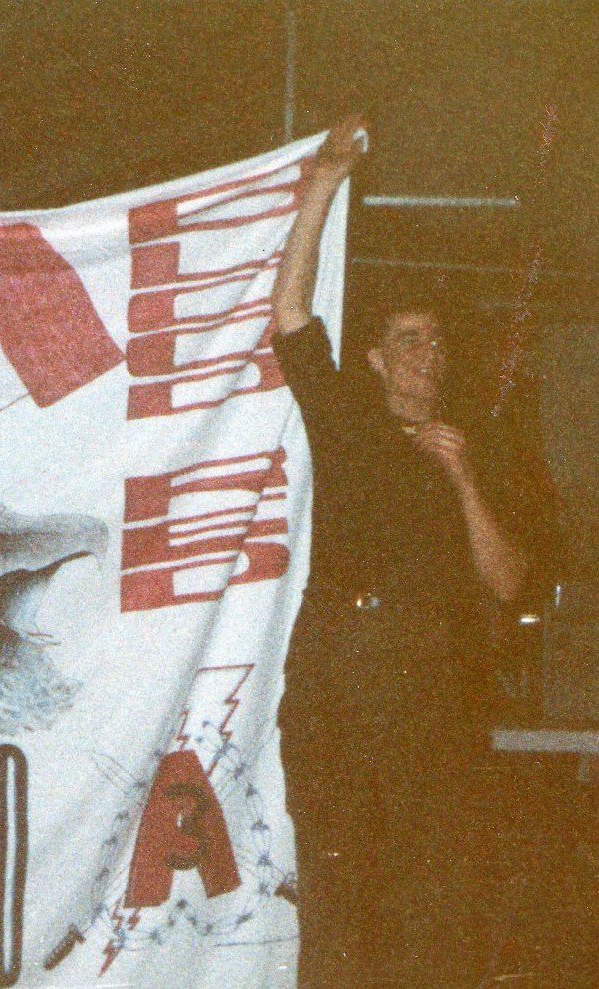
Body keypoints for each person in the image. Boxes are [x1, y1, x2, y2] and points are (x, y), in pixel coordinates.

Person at [270, 119, 529, 987]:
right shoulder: (349, 422)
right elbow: (292, 317)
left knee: (436, 899)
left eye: (437, 340)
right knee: (340, 899)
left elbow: (508, 582)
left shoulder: (479, 448)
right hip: (341, 670)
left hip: (431, 683)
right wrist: (325, 181)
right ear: (376, 360)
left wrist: (463, 481)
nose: (429, 353)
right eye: (409, 339)